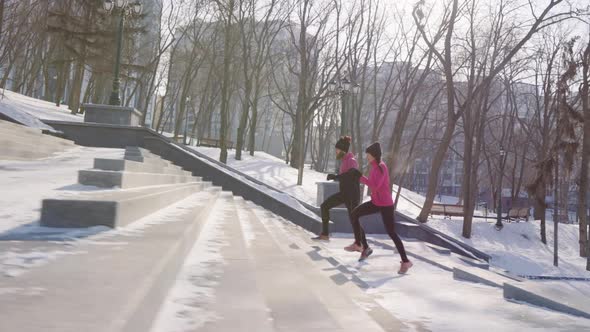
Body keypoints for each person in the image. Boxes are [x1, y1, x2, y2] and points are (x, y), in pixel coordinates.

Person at [350, 142, 413, 274]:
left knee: (391, 233)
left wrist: (360, 177)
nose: (366, 156)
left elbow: (375, 186)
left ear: (374, 155)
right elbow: (373, 185)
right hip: (376, 202)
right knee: (354, 214)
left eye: (368, 154)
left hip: (386, 205)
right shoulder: (374, 167)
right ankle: (364, 247)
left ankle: (406, 262)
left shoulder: (381, 167)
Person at [313, 136, 366, 250]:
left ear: (343, 150)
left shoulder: (352, 161)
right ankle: (325, 234)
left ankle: (364, 246)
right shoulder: (344, 161)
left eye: (337, 150)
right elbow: (344, 177)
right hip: (344, 194)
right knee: (325, 206)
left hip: (352, 196)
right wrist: (336, 177)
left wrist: (336, 176)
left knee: (354, 220)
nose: (336, 152)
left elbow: (351, 175)